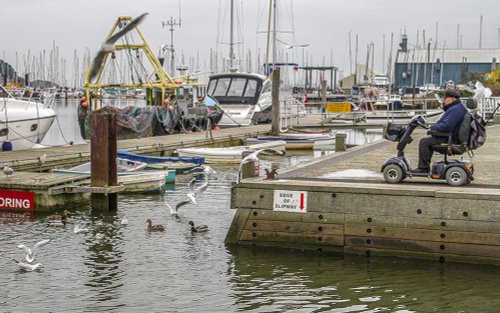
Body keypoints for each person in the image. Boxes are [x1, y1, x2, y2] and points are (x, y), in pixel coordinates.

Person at [412, 90, 467, 173]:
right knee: (428, 141)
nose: (443, 100)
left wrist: (433, 128)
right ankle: (424, 167)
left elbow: (447, 126)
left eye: (445, 98)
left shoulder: (455, 110)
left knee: (424, 142)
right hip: (452, 137)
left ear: (452, 99)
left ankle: (423, 168)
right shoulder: (458, 107)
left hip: (450, 139)